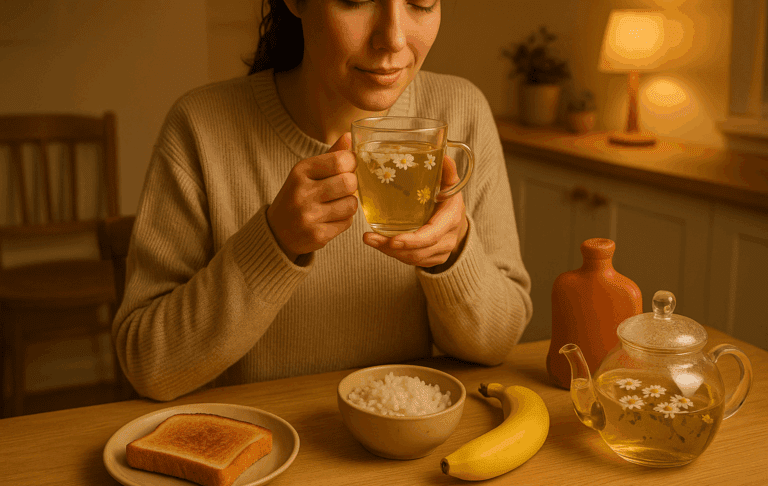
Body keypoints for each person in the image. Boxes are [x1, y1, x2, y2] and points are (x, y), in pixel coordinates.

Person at [113, 0, 532, 401]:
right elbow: (149, 366)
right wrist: (274, 244)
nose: (394, 38)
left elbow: (496, 344)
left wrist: (454, 254)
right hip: (259, 454)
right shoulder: (199, 127)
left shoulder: (460, 110)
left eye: (421, 2)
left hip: (407, 459)